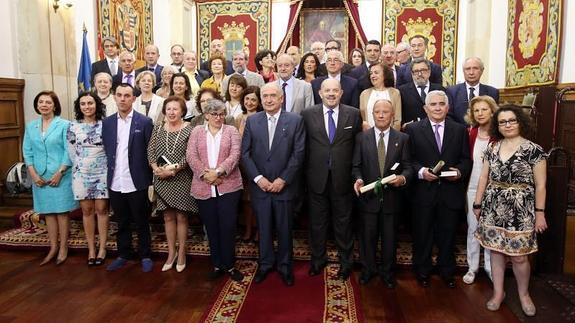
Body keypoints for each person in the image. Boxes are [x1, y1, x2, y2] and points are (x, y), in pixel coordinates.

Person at [474, 105, 547, 316]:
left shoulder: (534, 150)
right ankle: (498, 293)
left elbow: (541, 185)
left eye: (512, 120)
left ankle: (524, 295)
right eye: (502, 122)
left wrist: (540, 213)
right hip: (493, 207)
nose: (507, 125)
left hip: (521, 210)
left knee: (519, 257)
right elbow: (483, 177)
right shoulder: (492, 148)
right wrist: (477, 204)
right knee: (496, 253)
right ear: (497, 126)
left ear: (520, 122)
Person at [404, 90, 471, 288]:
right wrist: (421, 171)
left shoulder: (459, 130)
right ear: (425, 108)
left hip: (450, 193)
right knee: (422, 234)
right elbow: (409, 160)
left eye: (442, 104)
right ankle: (422, 271)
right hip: (423, 192)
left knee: (447, 235)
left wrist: (459, 172)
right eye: (433, 104)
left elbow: (466, 160)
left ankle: (446, 271)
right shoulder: (413, 130)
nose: (438, 108)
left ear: (448, 107)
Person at [241, 82, 306, 286]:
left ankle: (285, 267)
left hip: (284, 187)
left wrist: (283, 179)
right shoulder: (253, 121)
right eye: (265, 96)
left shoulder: (295, 121)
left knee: (285, 228)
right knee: (264, 227)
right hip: (260, 187)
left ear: (281, 99)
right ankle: (265, 264)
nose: (268, 99)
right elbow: (244, 154)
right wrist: (258, 179)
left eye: (273, 96)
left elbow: (299, 154)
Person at [302, 79, 362, 280]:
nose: (331, 94)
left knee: (343, 223)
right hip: (316, 178)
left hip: (343, 179)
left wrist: (356, 174)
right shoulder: (308, 114)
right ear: (320, 93)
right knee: (317, 223)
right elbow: (305, 147)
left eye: (335, 90)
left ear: (341, 92)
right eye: (327, 90)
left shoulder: (353, 114)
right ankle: (318, 260)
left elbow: (357, 147)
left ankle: (346, 263)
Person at [352, 99, 412, 288]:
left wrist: (402, 178)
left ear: (392, 114)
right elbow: (356, 166)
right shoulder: (361, 138)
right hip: (368, 199)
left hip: (392, 200)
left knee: (389, 239)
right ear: (372, 114)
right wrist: (359, 179)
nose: (381, 115)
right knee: (367, 238)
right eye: (377, 111)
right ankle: (368, 270)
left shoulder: (402, 139)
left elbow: (408, 167)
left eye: (385, 111)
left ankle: (387, 273)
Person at [187, 99, 245, 281]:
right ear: (206, 115)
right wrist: (206, 175)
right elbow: (191, 155)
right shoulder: (196, 131)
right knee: (211, 228)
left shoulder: (231, 131)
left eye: (221, 114)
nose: (218, 117)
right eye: (214, 114)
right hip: (203, 185)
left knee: (227, 227)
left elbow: (235, 154)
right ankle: (217, 264)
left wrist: (218, 172)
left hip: (229, 186)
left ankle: (230, 265)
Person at [102, 84, 155, 273]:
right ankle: (123, 253)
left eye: (127, 95)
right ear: (114, 98)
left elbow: (151, 152)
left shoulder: (145, 122)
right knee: (121, 221)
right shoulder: (107, 123)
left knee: (141, 220)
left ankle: (145, 255)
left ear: (134, 99)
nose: (123, 99)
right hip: (116, 181)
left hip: (137, 180)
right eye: (119, 95)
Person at [23, 91, 78, 265]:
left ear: (55, 105)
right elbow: (27, 151)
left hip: (60, 174)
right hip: (39, 175)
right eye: (41, 102)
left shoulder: (65, 125)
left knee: (61, 212)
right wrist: (33, 173)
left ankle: (63, 248)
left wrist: (60, 172)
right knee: (48, 212)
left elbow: (69, 151)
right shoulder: (31, 126)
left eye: (48, 102)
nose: (44, 105)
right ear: (37, 105)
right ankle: (53, 247)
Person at [148, 96, 197, 272]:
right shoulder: (159, 127)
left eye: (175, 109)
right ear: (164, 111)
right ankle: (171, 253)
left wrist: (174, 170)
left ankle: (182, 253)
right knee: (167, 217)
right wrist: (156, 169)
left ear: (182, 111)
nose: (171, 112)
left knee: (181, 217)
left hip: (181, 179)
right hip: (161, 179)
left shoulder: (190, 129)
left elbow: (190, 154)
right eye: (168, 109)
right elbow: (151, 150)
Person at [67, 92, 109, 266]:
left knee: (101, 209)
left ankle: (103, 248)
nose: (87, 106)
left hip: (102, 171)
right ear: (79, 107)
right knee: (86, 211)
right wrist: (80, 167)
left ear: (96, 105)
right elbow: (71, 151)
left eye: (90, 103)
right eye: (83, 104)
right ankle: (91, 248)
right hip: (81, 173)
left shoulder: (105, 125)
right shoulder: (73, 126)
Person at [462, 95, 498, 284]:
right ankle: (472, 267)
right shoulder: (471, 132)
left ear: (492, 110)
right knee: (473, 228)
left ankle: (491, 268)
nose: (480, 113)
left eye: (484, 109)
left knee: (491, 229)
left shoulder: (499, 134)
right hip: (472, 187)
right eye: (476, 110)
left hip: (493, 189)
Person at [236, 86, 263, 242]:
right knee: (246, 200)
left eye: (253, 99)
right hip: (242, 164)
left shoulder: (262, 116)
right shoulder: (239, 118)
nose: (250, 102)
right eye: (247, 99)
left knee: (258, 199)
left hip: (258, 163)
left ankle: (260, 229)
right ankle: (248, 229)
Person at [447, 57, 500, 125]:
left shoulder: (492, 92)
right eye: (468, 69)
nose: (471, 72)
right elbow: (449, 116)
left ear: (482, 70)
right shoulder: (452, 91)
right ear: (463, 71)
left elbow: (494, 116)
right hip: (459, 132)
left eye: (475, 68)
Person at [399, 58, 446, 126]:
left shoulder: (440, 90)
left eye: (423, 70)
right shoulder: (402, 91)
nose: (420, 74)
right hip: (411, 132)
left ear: (429, 72)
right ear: (412, 74)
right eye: (416, 71)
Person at [359, 63, 402, 130]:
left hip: (391, 136)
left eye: (376, 73)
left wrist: (392, 137)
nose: (372, 76)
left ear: (385, 75)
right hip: (369, 136)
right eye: (371, 73)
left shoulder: (395, 93)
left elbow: (397, 120)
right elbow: (363, 119)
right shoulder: (364, 94)